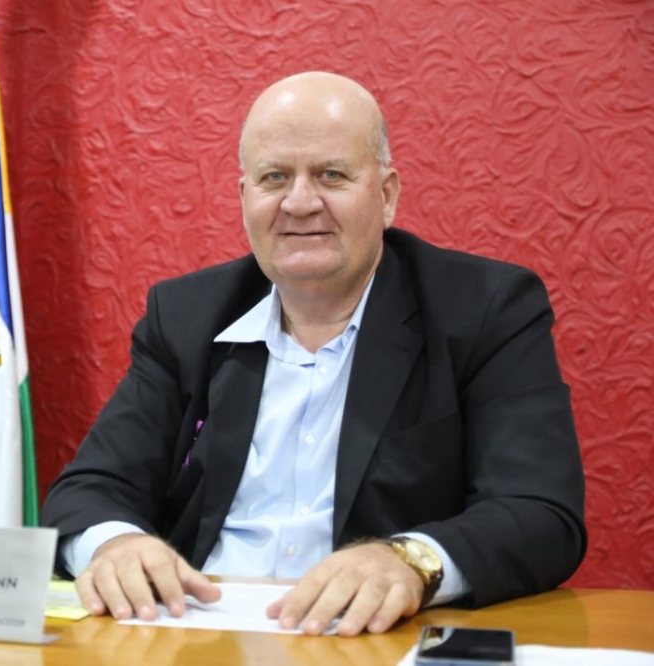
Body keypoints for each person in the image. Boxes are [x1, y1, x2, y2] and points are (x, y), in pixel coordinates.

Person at [40, 71, 586, 637]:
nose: (299, 203)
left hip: (370, 640)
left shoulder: (483, 309)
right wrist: (116, 546)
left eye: (331, 175)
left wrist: (410, 561)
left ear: (387, 195)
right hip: (195, 635)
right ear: (245, 197)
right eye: (274, 177)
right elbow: (89, 490)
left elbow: (540, 513)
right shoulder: (185, 316)